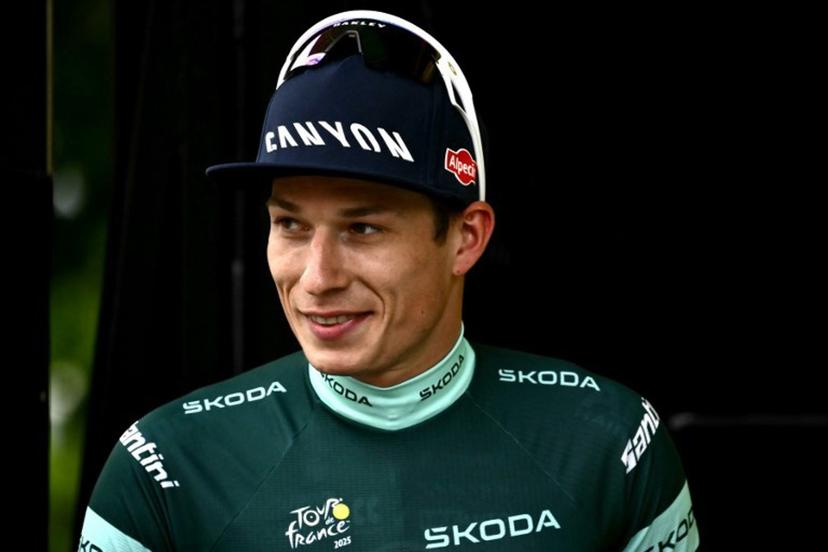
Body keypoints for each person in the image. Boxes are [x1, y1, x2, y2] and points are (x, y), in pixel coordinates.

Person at [78, 10, 699, 551]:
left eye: (363, 229)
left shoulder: (612, 444)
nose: (317, 278)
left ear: (467, 238)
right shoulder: (163, 469)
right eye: (290, 225)